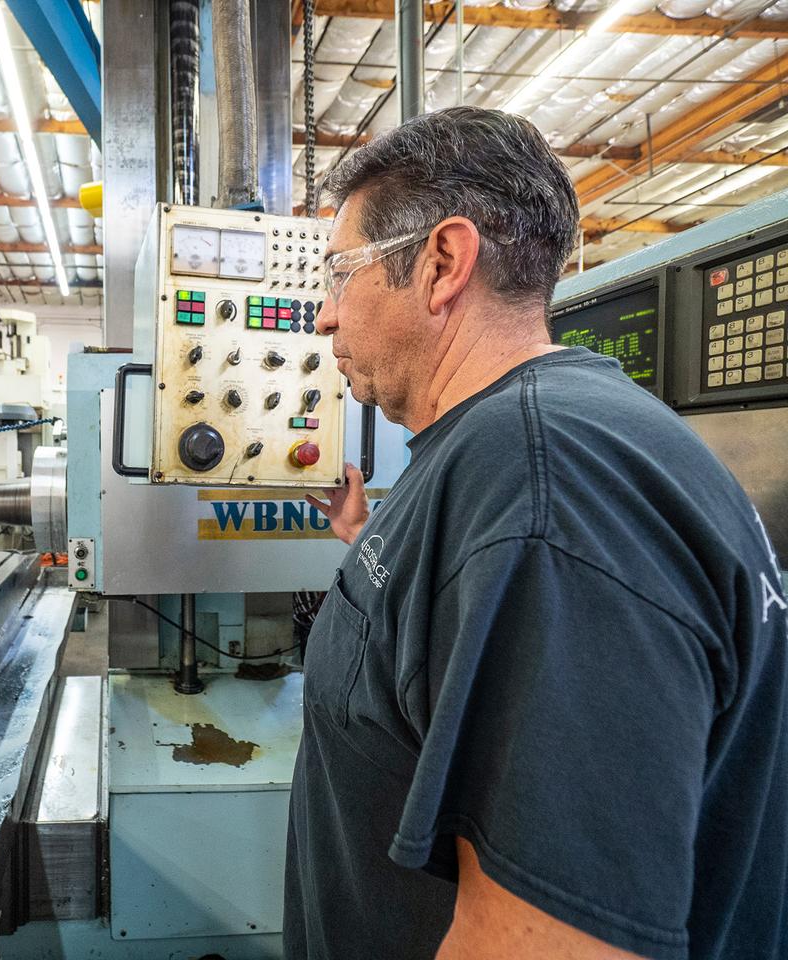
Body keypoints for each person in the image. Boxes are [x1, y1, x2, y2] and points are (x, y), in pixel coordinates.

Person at [285, 106, 788, 960]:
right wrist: (367, 535)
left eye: (340, 274)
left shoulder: (546, 479)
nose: (325, 316)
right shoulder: (509, 452)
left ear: (442, 263)